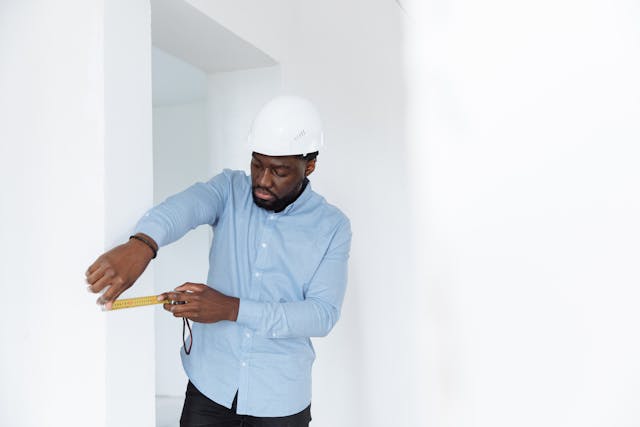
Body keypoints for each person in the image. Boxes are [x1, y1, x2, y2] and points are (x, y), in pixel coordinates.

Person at [85, 95, 352, 427]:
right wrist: (142, 245)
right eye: (257, 164)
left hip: (280, 400)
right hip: (210, 386)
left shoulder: (332, 225)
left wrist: (231, 309)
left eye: (279, 171)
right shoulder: (229, 189)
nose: (263, 180)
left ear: (309, 166)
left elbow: (321, 314)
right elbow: (183, 208)